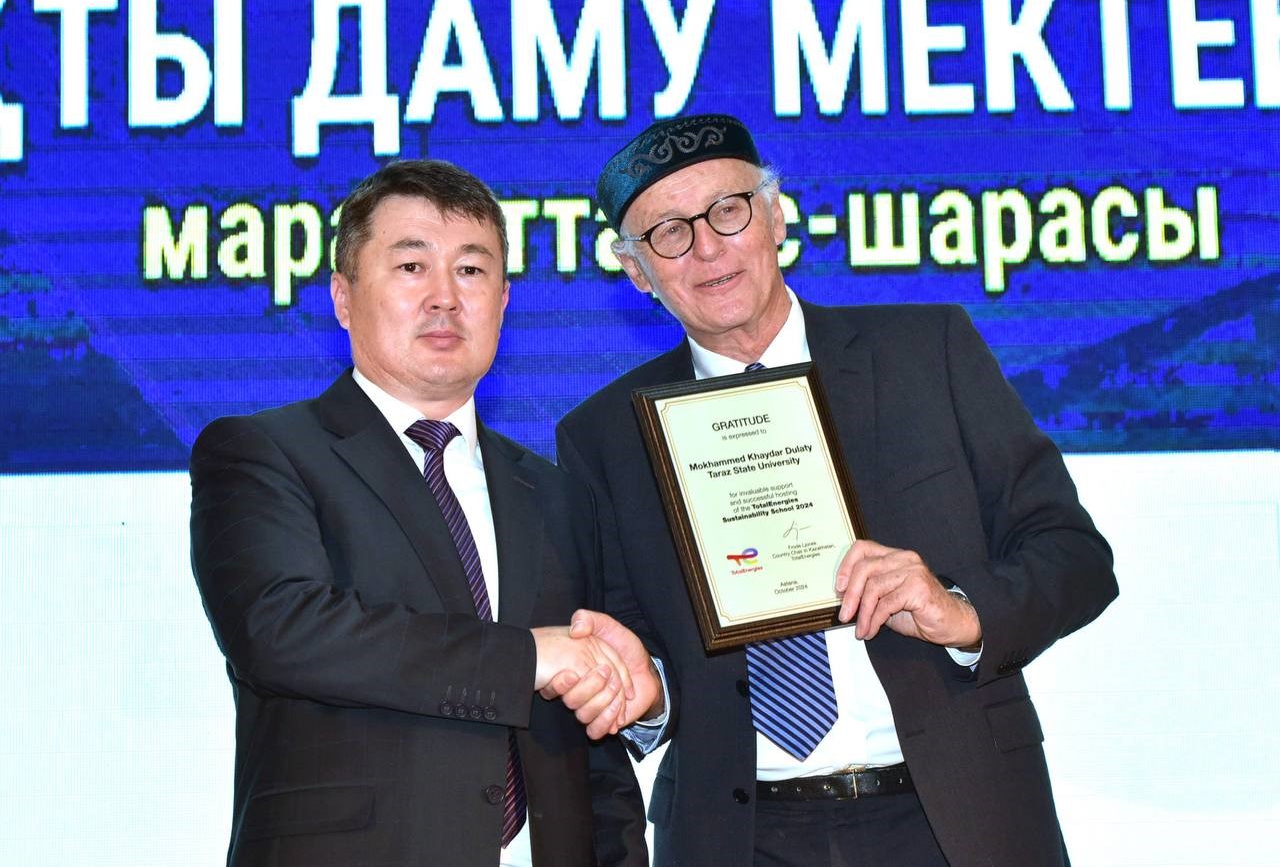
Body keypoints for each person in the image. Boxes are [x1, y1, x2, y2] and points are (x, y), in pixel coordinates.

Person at [556, 114, 1118, 867]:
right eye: (668, 233)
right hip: (739, 837)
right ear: (635, 271)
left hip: (955, 815)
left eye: (728, 211)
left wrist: (962, 612)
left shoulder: (927, 352)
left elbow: (1074, 556)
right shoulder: (604, 436)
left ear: (775, 217)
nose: (708, 248)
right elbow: (636, 645)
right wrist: (646, 690)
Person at [190, 159, 657, 867]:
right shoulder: (263, 452)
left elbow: (593, 748)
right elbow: (281, 631)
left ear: (504, 300)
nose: (445, 297)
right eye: (412, 267)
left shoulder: (556, 494)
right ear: (343, 297)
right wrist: (530, 656)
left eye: (471, 271)